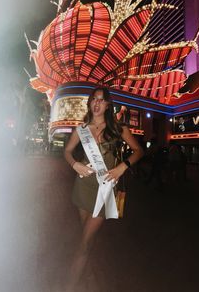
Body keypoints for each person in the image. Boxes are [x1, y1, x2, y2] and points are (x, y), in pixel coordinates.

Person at [64, 87, 143, 291]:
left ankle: (69, 286)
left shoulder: (118, 128)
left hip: (105, 189)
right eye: (93, 99)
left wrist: (122, 167)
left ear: (108, 105)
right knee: (86, 239)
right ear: (90, 103)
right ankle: (88, 275)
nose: (97, 103)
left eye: (101, 100)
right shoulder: (81, 129)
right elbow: (67, 151)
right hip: (83, 186)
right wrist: (75, 164)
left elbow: (138, 151)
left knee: (83, 242)